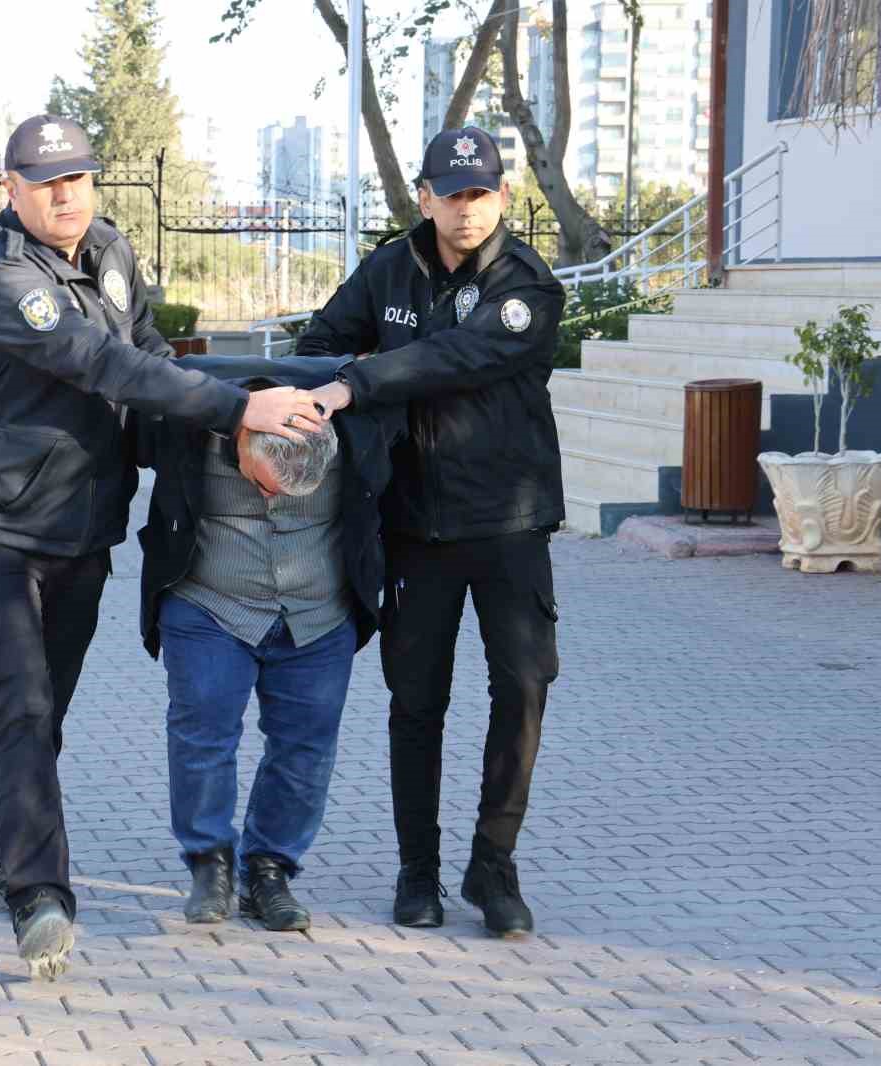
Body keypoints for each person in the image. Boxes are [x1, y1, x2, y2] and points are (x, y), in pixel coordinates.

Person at [0, 115, 325, 980]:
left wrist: (234, 426)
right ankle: (40, 897)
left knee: (46, 714)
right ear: (11, 190)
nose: (64, 195)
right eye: (44, 183)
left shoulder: (108, 249)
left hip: (80, 532)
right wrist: (237, 408)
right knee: (22, 710)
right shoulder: (0, 277)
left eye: (76, 178)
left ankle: (3, 841)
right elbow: (103, 363)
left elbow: (147, 353)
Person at [299, 127, 565, 937]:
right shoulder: (389, 269)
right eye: (452, 194)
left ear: (504, 197)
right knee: (416, 701)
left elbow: (458, 356)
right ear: (425, 198)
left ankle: (494, 865)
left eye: (481, 194)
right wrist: (360, 427)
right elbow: (319, 346)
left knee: (523, 688)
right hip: (414, 523)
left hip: (509, 521)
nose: (467, 209)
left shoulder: (527, 285)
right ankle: (418, 870)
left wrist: (362, 384)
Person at [135, 355, 395, 932]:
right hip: (209, 605)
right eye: (260, 482)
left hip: (318, 614)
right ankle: (209, 863)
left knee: (306, 747)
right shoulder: (190, 421)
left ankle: (270, 868)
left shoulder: (356, 431)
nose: (270, 498)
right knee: (202, 735)